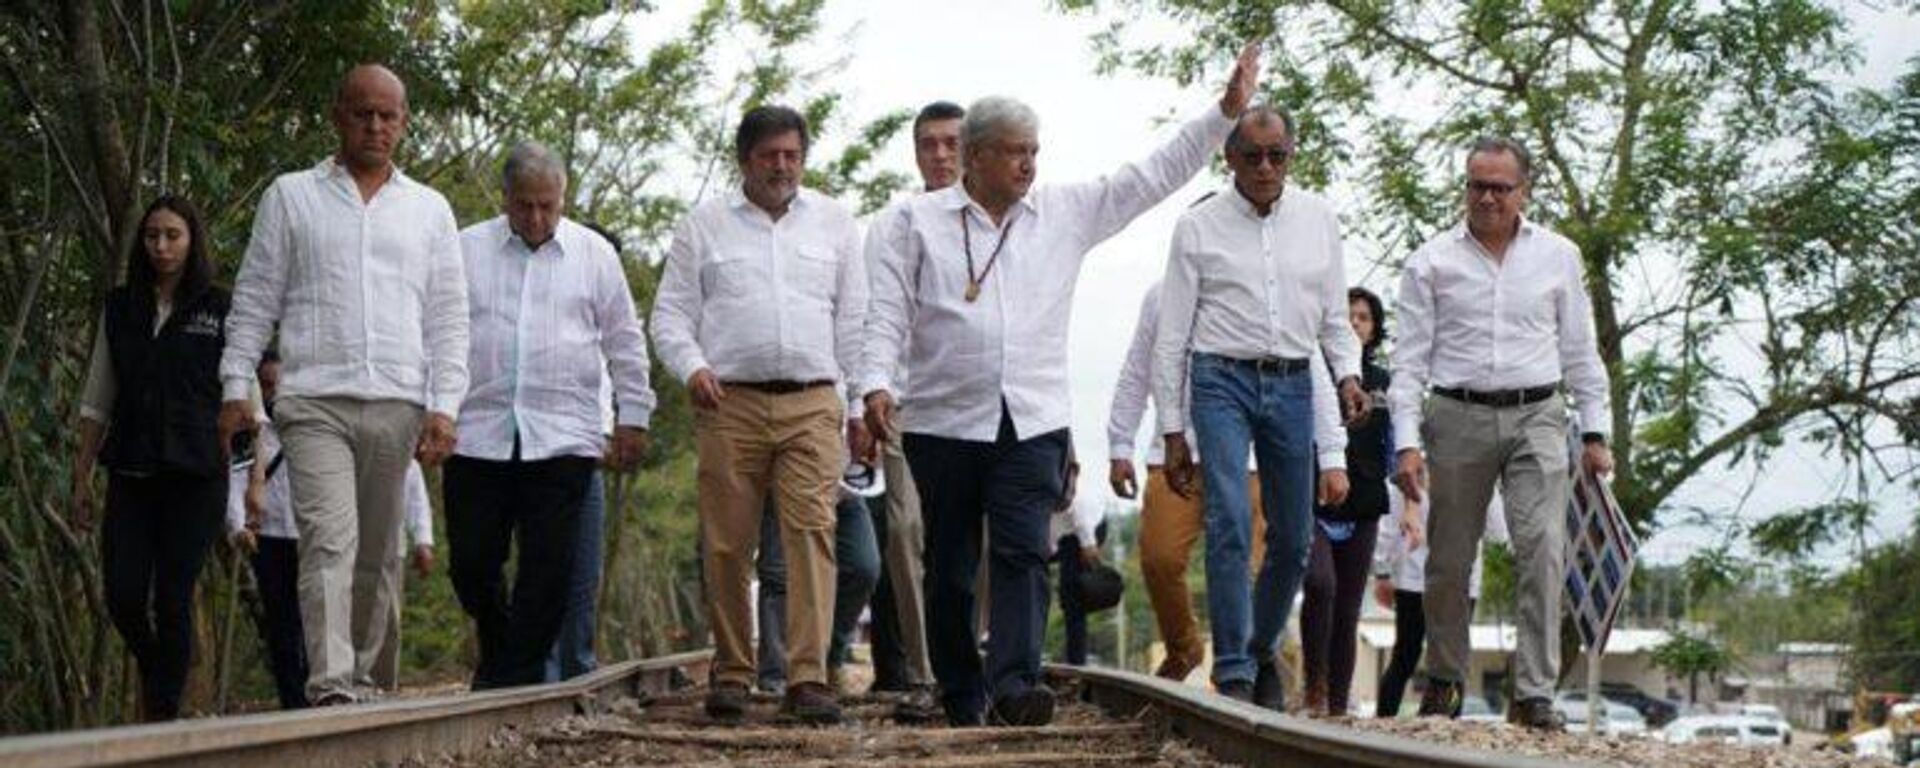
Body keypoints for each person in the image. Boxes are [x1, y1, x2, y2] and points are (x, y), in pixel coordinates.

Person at [861, 44, 1263, 727]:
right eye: (1015, 151)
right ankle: (962, 692)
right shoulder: (911, 222)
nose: (1028, 164)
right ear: (976, 156)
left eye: (1035, 151)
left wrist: (1222, 116)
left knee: (1023, 552)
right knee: (952, 567)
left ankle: (1016, 687)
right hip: (942, 421)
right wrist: (873, 383)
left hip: (1033, 421)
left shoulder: (1064, 213)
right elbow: (886, 312)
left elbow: (1150, 176)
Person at [218, 63, 469, 706]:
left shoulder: (428, 210)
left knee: (379, 554)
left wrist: (445, 407)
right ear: (338, 116)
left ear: (404, 123)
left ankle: (367, 681)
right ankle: (330, 685)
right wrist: (233, 384)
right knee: (329, 540)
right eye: (363, 112)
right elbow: (252, 302)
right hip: (313, 399)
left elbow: (447, 318)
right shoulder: (291, 196)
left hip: (398, 402)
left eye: (389, 115)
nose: (376, 125)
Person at [652, 105, 867, 724]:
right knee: (727, 543)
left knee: (810, 537)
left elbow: (852, 320)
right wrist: (692, 366)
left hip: (812, 401)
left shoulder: (835, 223)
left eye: (792, 155)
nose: (782, 166)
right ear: (745, 159)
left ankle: (807, 676)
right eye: (770, 155)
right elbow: (669, 315)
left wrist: (853, 404)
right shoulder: (704, 225)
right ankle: (734, 670)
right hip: (731, 402)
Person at [1389, 136, 1613, 730]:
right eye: (1476, 185)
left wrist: (1595, 432)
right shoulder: (1430, 260)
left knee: (1543, 546)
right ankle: (1444, 680)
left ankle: (1534, 692)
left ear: (1524, 191)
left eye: (1499, 187)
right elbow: (1408, 361)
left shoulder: (1558, 256)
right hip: (1455, 415)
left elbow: (1580, 350)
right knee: (1449, 558)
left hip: (1538, 413)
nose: (1486, 197)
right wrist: (1405, 442)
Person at [1152, 104, 1361, 711]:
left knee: (1294, 537)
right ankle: (1237, 670)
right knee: (1230, 523)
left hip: (1294, 380)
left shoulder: (1319, 219)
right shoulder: (1198, 227)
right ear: (1230, 159)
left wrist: (1346, 374)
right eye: (1253, 156)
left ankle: (1259, 643)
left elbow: (1332, 319)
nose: (1266, 167)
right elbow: (1173, 335)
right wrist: (1172, 428)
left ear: (1292, 154)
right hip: (1219, 379)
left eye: (1278, 155)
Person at [448, 141, 653, 690]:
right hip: (477, 434)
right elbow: (441, 335)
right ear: (505, 199)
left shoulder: (594, 254)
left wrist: (633, 414)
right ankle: (500, 648)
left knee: (549, 572)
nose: (536, 218)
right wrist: (436, 410)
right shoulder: (465, 249)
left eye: (548, 206)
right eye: (524, 206)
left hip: (563, 436)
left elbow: (624, 341)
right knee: (471, 565)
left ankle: (513, 682)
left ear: (563, 198)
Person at [70, 195, 232, 721]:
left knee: (173, 597)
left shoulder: (219, 308)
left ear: (192, 241)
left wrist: (251, 484)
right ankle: (162, 666)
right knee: (122, 593)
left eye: (172, 235)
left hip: (196, 474)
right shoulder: (120, 307)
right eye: (151, 236)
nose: (161, 246)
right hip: (132, 470)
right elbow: (98, 397)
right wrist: (81, 476)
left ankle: (162, 720)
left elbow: (243, 399)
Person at [225, 352, 435, 706]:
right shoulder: (255, 434)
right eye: (266, 385)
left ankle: (331, 687)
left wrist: (422, 538)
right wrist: (236, 526)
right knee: (282, 623)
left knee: (320, 613)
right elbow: (236, 477)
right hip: (271, 537)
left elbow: (406, 484)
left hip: (317, 535)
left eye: (280, 384)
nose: (274, 392)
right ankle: (294, 700)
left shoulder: (327, 427)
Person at [1106, 278, 1271, 682]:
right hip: (1174, 455)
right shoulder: (1161, 294)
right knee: (1159, 558)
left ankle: (1240, 669)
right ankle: (1185, 647)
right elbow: (1136, 370)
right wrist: (1119, 444)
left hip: (1245, 458)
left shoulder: (1262, 287)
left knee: (1246, 570)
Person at [862, 100, 964, 722]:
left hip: (983, 408)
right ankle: (927, 674)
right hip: (906, 403)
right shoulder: (891, 224)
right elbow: (874, 316)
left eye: (952, 142)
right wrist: (868, 394)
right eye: (929, 144)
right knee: (904, 533)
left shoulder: (1001, 219)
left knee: (969, 539)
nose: (941, 155)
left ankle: (970, 659)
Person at [1298, 287, 1394, 716]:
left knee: (1349, 608)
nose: (1355, 323)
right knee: (1321, 585)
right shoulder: (1308, 373)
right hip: (1313, 500)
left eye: (1364, 318)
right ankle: (1313, 684)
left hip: (1365, 503)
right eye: (1348, 316)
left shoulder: (1383, 383)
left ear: (1374, 330)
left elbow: (1391, 445)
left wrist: (1408, 498)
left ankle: (1336, 705)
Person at [544, 222, 626, 684]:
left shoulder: (606, 324)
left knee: (583, 573)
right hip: (545, 453)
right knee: (546, 568)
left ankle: (577, 668)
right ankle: (545, 669)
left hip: (588, 454)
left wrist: (612, 431)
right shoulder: (555, 314)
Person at [1372, 490, 1508, 718]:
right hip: (1461, 580)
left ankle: (1383, 721)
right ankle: (1449, 725)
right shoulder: (1482, 474)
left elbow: (1388, 527)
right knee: (1453, 660)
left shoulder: (1411, 467)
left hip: (1414, 578)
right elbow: (1498, 534)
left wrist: (1382, 571)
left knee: (1404, 656)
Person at [752, 489, 882, 696]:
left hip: (843, 484)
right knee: (778, 575)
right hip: (784, 481)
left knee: (863, 567)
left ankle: (829, 658)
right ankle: (776, 676)